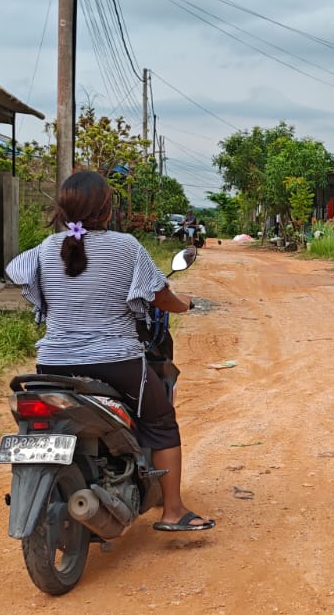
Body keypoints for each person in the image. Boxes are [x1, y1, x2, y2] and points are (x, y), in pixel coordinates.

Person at [23, 171, 213, 532]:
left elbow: (34, 293)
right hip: (116, 361)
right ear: (107, 209)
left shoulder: (46, 248)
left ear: (62, 209)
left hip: (51, 363)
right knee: (160, 423)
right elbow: (160, 297)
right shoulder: (125, 246)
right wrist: (184, 304)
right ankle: (173, 511)